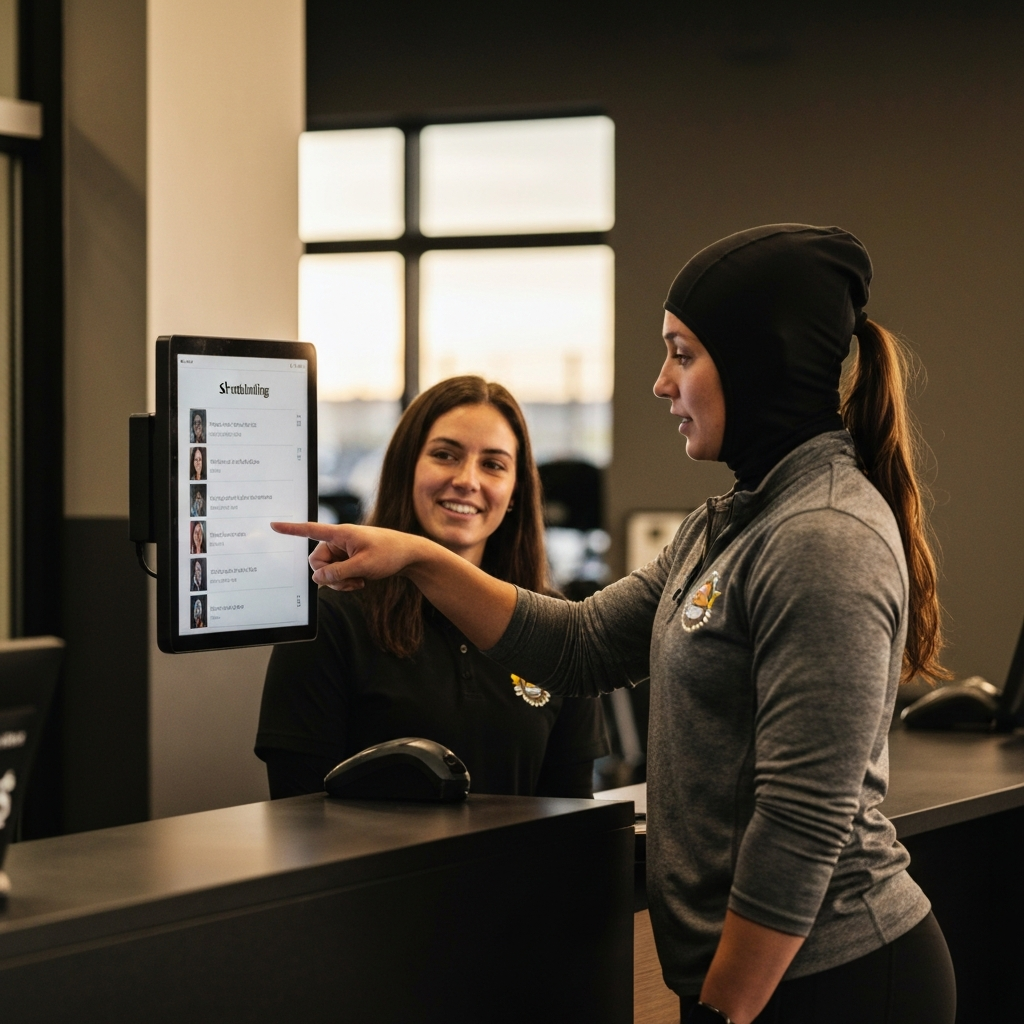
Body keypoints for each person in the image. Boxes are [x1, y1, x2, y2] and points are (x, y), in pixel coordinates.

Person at [273, 226, 957, 1024]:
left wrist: (725, 1010)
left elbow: (802, 820)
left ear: (759, 363)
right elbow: (580, 644)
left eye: (683, 353)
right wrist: (420, 558)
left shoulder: (824, 536)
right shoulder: (732, 522)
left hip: (833, 981)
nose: (662, 383)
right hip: (768, 981)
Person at [256, 375, 607, 800]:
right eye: (445, 455)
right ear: (407, 469)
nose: (467, 480)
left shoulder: (553, 629)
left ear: (515, 492)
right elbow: (297, 818)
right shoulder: (331, 620)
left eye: (493, 464)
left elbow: (573, 823)